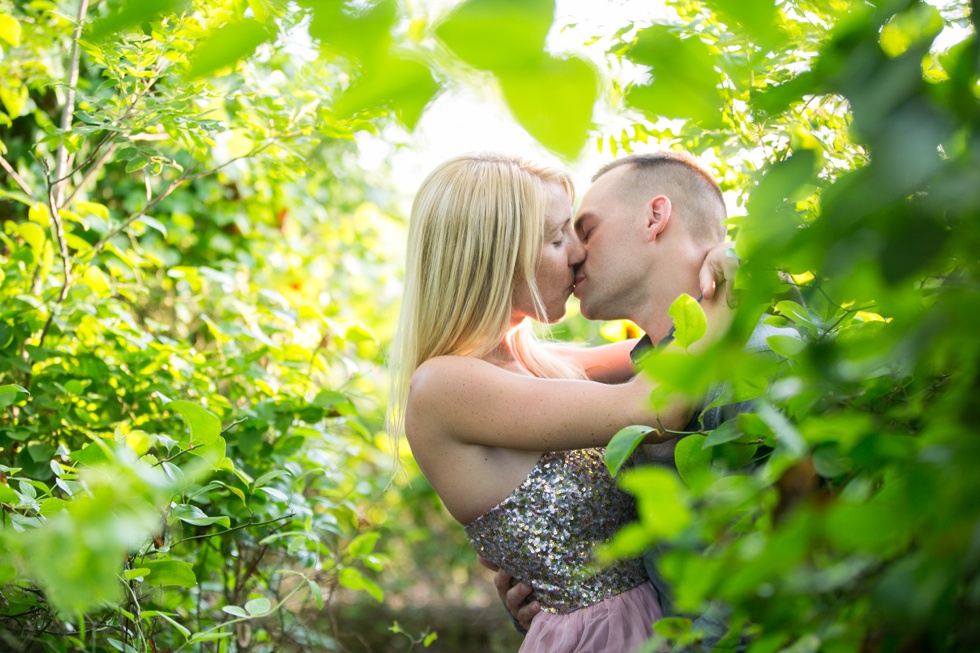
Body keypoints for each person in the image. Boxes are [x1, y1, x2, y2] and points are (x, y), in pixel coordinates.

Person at [387, 153, 735, 652]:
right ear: (494, 255)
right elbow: (654, 408)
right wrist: (723, 292)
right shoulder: (443, 387)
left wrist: (710, 259)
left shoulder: (540, 365)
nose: (578, 253)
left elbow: (661, 346)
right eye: (556, 239)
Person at [495, 151, 799, 648]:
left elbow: (775, 581)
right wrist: (557, 593)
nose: (572, 253)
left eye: (585, 230)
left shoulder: (762, 363)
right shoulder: (627, 385)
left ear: (655, 217)